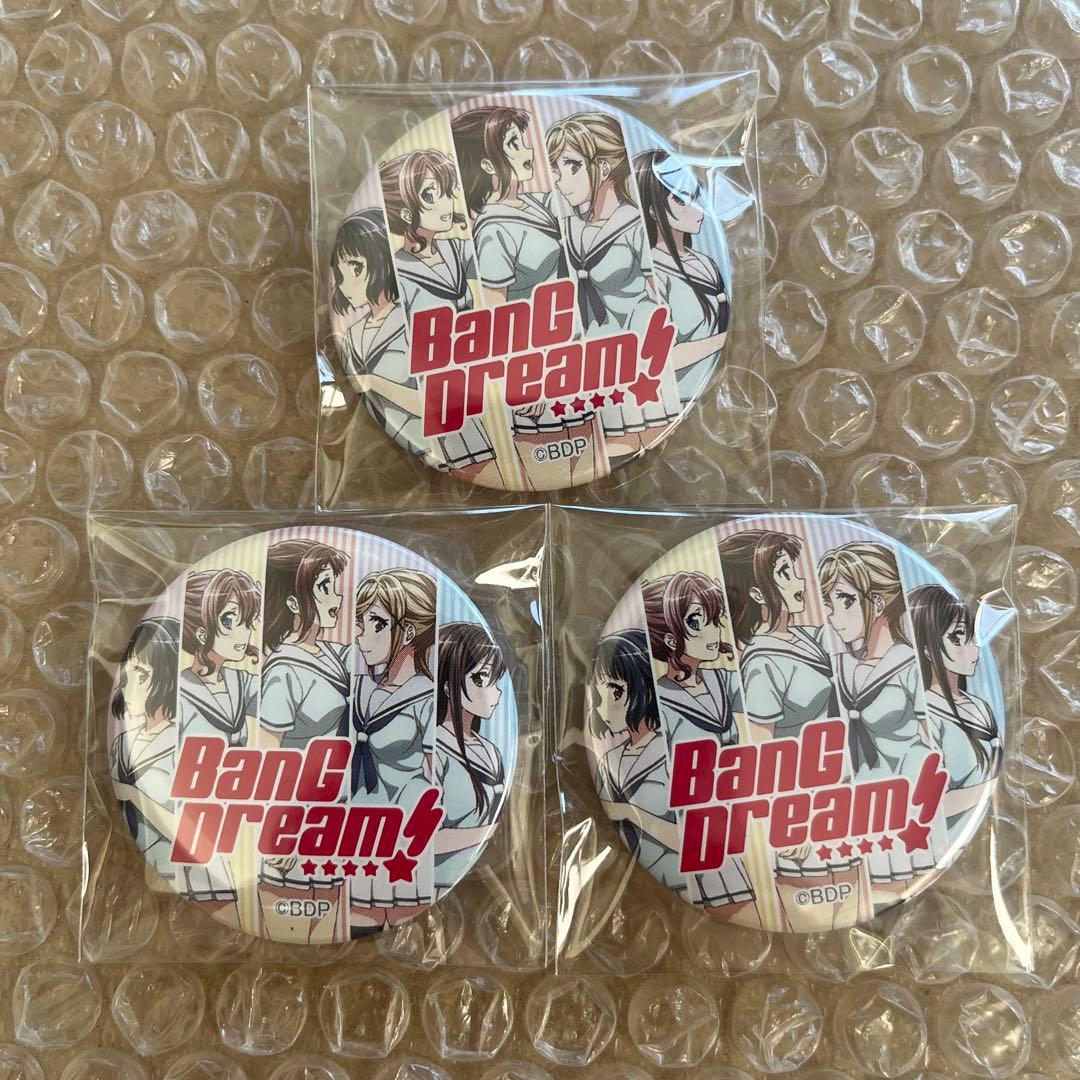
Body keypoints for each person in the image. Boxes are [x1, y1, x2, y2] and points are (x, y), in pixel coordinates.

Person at [451, 105, 594, 489]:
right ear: (487, 164)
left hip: (573, 359)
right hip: (536, 372)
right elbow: (493, 317)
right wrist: (524, 380)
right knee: (553, 478)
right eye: (514, 144)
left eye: (522, 140)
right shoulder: (493, 229)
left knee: (588, 462)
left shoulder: (536, 202)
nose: (528, 151)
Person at [818, 541, 934, 902]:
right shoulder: (838, 665)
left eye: (845, 600)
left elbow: (934, 744)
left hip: (904, 810)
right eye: (828, 603)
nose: (833, 615)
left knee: (889, 890)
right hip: (849, 810)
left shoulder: (911, 665)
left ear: (879, 603)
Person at [258, 538, 351, 942]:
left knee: (329, 937)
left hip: (333, 819)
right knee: (290, 941)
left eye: (335, 585)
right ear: (294, 603)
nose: (337, 597)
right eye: (324, 587)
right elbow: (268, 757)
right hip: (295, 826)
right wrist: (282, 831)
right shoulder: (283, 670)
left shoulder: (333, 654)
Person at [346, 568, 437, 932]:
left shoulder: (426, 698)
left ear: (409, 633)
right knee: (359, 921)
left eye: (377, 624)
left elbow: (435, 777)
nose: (361, 635)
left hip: (404, 837)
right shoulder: (358, 687)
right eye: (360, 623)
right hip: (356, 832)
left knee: (401, 924)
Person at [592, 629, 684, 899]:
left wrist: (630, 813)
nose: (603, 707)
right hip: (633, 887)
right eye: (598, 695)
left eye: (616, 691)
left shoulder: (676, 750)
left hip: (689, 885)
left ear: (646, 686)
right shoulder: (608, 760)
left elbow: (698, 840)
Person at [633, 148, 730, 405]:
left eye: (697, 195)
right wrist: (722, 341)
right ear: (653, 210)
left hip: (720, 390)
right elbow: (658, 358)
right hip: (678, 402)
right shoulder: (650, 272)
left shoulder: (707, 262)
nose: (697, 208)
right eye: (680, 199)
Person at [909, 584, 1001, 830]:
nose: (973, 648)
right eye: (957, 637)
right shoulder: (923, 713)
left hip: (987, 825)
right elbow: (931, 804)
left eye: (972, 636)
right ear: (927, 649)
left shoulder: (981, 706)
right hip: (951, 838)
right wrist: (992, 787)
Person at [331, 209, 421, 459]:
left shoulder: (415, 319)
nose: (343, 284)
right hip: (386, 448)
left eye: (356, 267)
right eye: (340, 273)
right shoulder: (351, 335)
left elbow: (436, 404)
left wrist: (372, 382)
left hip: (440, 443)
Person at [432, 621, 508, 898]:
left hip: (486, 881)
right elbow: (424, 839)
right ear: (448, 686)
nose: (496, 692)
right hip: (436, 885)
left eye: (495, 680)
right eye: (480, 679)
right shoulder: (433, 750)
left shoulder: (492, 751)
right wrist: (487, 832)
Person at [110, 617, 180, 893]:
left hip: (180, 875)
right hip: (126, 867)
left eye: (142, 674)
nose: (128, 686)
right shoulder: (123, 743)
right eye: (128, 674)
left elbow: (194, 831)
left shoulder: (183, 745)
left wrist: (133, 795)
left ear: (168, 678)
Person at [642, 571, 742, 749]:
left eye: (715, 619)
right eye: (695, 621)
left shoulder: (723, 680)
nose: (714, 631)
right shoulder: (658, 703)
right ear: (671, 640)